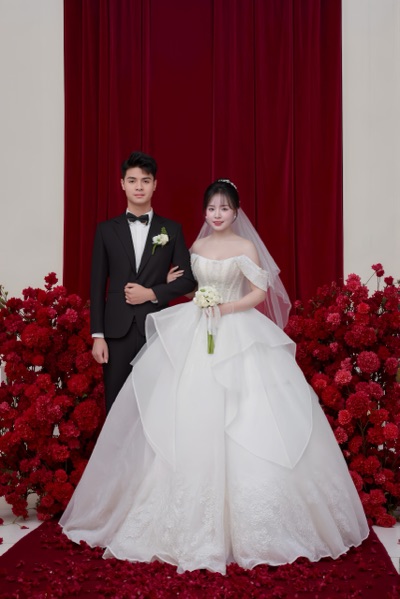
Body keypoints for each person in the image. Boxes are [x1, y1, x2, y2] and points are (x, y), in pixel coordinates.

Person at [60, 179, 369, 575]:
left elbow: (259, 292)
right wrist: (186, 291)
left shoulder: (245, 247)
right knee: (189, 415)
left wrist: (225, 308)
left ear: (236, 212)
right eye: (211, 209)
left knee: (247, 416)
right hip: (196, 328)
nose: (217, 214)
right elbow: (188, 283)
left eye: (224, 208)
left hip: (236, 330)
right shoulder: (197, 247)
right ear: (205, 212)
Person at [90, 151, 196, 412]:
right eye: (133, 180)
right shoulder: (106, 230)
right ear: (122, 184)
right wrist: (98, 335)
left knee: (154, 405)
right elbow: (96, 285)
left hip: (155, 329)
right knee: (116, 406)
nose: (139, 186)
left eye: (145, 181)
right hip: (116, 332)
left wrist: (151, 292)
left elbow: (188, 280)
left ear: (155, 185)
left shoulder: (171, 230)